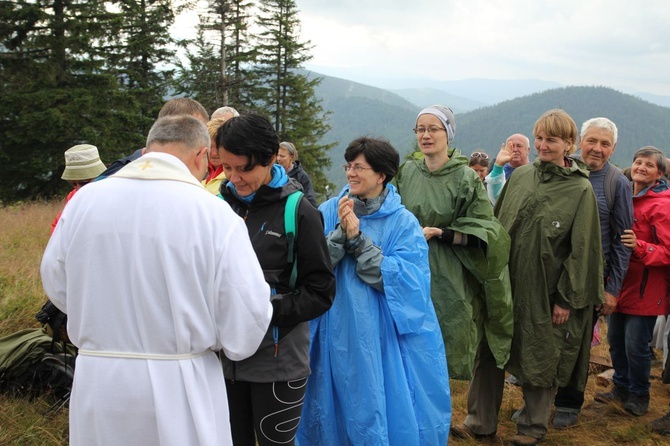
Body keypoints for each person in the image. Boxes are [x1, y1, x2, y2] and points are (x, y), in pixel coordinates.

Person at [41, 115, 274, 446]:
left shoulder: (83, 203)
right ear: (201, 156)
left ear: (149, 149)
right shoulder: (213, 215)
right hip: (180, 385)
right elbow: (246, 316)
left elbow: (56, 282)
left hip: (101, 380)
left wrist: (103, 320)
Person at [298, 137, 452, 446]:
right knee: (332, 398)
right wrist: (340, 235)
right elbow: (310, 264)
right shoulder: (329, 210)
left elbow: (411, 284)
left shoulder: (403, 223)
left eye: (359, 167)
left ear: (381, 175)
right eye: (349, 166)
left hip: (382, 335)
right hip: (334, 326)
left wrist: (359, 242)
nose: (351, 174)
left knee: (377, 398)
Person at [215, 114, 336, 446]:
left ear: (270, 160)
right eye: (226, 167)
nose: (233, 178)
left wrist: (265, 309)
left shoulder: (298, 211)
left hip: (278, 363)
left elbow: (321, 291)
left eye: (244, 169)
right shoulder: (218, 207)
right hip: (223, 363)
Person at [494, 109, 603, 446]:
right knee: (501, 349)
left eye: (551, 140)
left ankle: (532, 428)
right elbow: (499, 224)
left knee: (542, 354)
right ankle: (485, 420)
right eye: (539, 138)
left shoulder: (580, 190)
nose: (542, 145)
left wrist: (566, 299)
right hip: (510, 283)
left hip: (547, 291)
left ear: (569, 144)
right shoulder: (521, 175)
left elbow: (581, 250)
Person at [392, 105, 513, 384]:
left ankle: (436, 418)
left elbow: (485, 229)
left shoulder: (465, 178)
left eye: (433, 128)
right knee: (406, 340)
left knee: (443, 339)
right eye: (420, 129)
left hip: (450, 271)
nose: (426, 135)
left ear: (448, 134)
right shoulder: (408, 171)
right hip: (409, 264)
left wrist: (442, 233)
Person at [551, 117, 633, 428]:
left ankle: (568, 404)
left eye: (605, 144)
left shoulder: (617, 183)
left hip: (589, 280)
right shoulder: (563, 170)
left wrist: (612, 288)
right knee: (548, 339)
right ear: (579, 142)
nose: (596, 149)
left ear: (613, 149)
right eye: (592, 141)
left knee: (576, 341)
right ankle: (541, 399)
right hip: (552, 272)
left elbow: (623, 240)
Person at [595, 146, 670, 417]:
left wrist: (641, 247)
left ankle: (640, 394)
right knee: (615, 340)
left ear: (660, 172)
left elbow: (668, 250)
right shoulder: (625, 192)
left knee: (636, 345)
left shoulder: (663, 204)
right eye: (638, 162)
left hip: (645, 288)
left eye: (649, 165)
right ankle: (621, 386)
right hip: (620, 284)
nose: (641, 167)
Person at [97, 97, 210, 179]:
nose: (204, 139)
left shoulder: (201, 170)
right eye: (194, 130)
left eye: (204, 131)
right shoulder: (117, 174)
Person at [50, 144, 107, 234]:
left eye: (84, 182)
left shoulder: (113, 195)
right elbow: (57, 227)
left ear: (99, 176)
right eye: (74, 184)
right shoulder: (72, 196)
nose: (78, 189)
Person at [485, 133, 531, 205]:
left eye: (519, 146)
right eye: (511, 146)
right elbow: (496, 198)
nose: (515, 149)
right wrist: (499, 165)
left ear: (528, 150)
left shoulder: (536, 171)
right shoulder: (499, 172)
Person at [276, 141, 318, 207]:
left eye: (282, 156)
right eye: (277, 155)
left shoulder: (302, 176)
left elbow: (311, 202)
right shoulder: (273, 174)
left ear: (291, 157)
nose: (278, 159)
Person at [202, 118, 229, 194]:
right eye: (210, 146)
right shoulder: (198, 170)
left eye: (218, 147)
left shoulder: (233, 178)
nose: (214, 153)